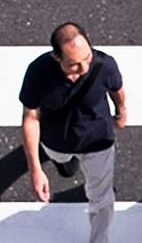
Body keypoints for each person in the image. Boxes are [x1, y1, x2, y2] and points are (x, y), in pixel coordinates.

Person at [18, 22, 126, 243]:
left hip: (98, 141)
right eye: (74, 64)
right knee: (66, 168)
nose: (84, 69)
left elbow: (116, 88)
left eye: (87, 58)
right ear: (57, 58)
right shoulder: (38, 73)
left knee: (101, 199)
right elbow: (30, 118)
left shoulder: (104, 64)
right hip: (56, 141)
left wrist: (121, 110)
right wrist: (35, 169)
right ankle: (66, 164)